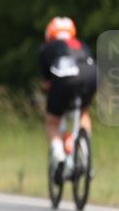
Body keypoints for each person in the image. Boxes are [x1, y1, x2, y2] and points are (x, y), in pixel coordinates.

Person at [38, 16, 97, 182]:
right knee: (83, 112)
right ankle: (84, 152)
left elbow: (47, 83)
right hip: (92, 75)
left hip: (64, 77)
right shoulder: (81, 44)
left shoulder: (47, 48)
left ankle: (59, 156)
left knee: (52, 122)